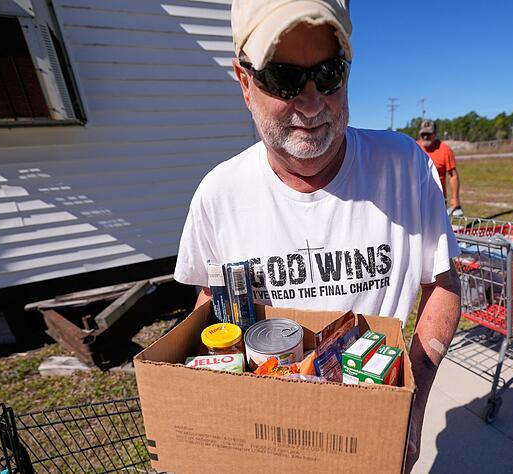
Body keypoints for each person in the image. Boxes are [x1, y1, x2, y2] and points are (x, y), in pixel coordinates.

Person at [173, 1, 461, 470]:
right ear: (245, 83)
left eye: (329, 74)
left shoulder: (406, 167)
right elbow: (211, 300)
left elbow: (442, 283)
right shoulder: (218, 194)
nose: (310, 103)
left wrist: (414, 399)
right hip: (267, 441)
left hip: (371, 433)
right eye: (283, 78)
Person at [417, 119, 463, 217]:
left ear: (435, 134)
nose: (425, 137)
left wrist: (455, 198)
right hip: (416, 199)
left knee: (436, 231)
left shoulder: (445, 150)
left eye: (428, 134)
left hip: (437, 200)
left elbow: (453, 176)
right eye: (423, 134)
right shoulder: (414, 148)